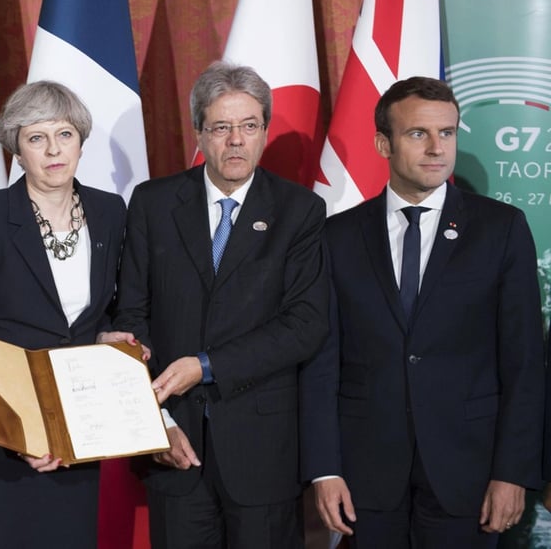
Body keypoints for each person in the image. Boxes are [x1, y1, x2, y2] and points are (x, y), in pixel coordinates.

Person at [301, 76, 544, 548]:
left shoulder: (501, 229)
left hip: (469, 475)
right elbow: (321, 363)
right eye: (418, 134)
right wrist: (323, 469)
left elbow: (524, 363)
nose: (437, 148)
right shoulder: (338, 237)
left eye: (447, 133)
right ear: (382, 143)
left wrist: (512, 472)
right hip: (364, 478)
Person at [113, 61, 329, 548]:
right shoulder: (152, 203)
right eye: (222, 127)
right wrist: (157, 423)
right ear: (199, 133)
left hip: (262, 454)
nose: (236, 140)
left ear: (265, 132)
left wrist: (206, 366)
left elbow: (305, 324)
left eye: (249, 126)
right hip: (173, 444)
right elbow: (130, 316)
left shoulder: (300, 211)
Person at [0, 81, 128, 548]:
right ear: (16, 150)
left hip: (76, 437)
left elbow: (115, 312)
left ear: (81, 140)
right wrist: (20, 434)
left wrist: (115, 340)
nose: (53, 149)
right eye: (36, 137)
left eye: (64, 134)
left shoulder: (110, 211)